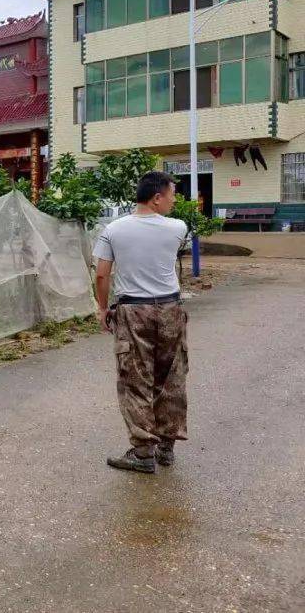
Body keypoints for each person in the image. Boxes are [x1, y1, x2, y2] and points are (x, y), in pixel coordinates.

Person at [93, 171, 189, 474]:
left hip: (133, 311)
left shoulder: (113, 230)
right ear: (156, 197)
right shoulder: (177, 228)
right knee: (170, 379)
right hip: (171, 309)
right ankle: (166, 449)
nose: (175, 200)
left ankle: (142, 452)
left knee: (135, 381)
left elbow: (101, 274)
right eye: (172, 194)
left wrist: (101, 308)